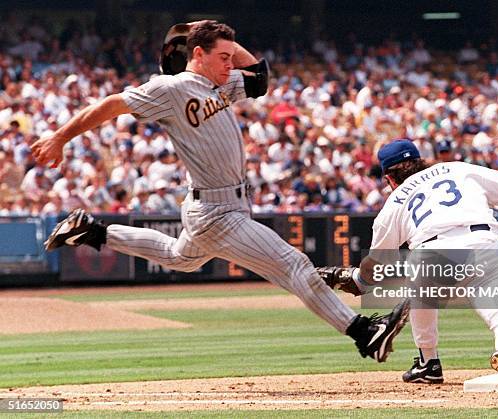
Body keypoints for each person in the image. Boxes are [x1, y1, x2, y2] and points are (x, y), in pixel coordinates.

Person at [30, 20, 409, 363]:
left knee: (180, 257)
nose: (232, 64)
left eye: (231, 56)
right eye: (223, 56)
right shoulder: (172, 88)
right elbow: (113, 104)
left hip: (219, 206)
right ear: (198, 54)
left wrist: (221, 37)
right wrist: (61, 137)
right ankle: (365, 333)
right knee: (294, 265)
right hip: (217, 213)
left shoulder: (221, 84)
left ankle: (93, 231)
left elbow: (259, 76)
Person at [317, 139, 498, 383]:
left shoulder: (394, 203)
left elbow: (375, 267)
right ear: (420, 162)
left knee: (421, 287)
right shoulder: (459, 169)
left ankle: (428, 362)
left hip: (431, 253)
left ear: (389, 180)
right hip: (484, 244)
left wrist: (358, 279)